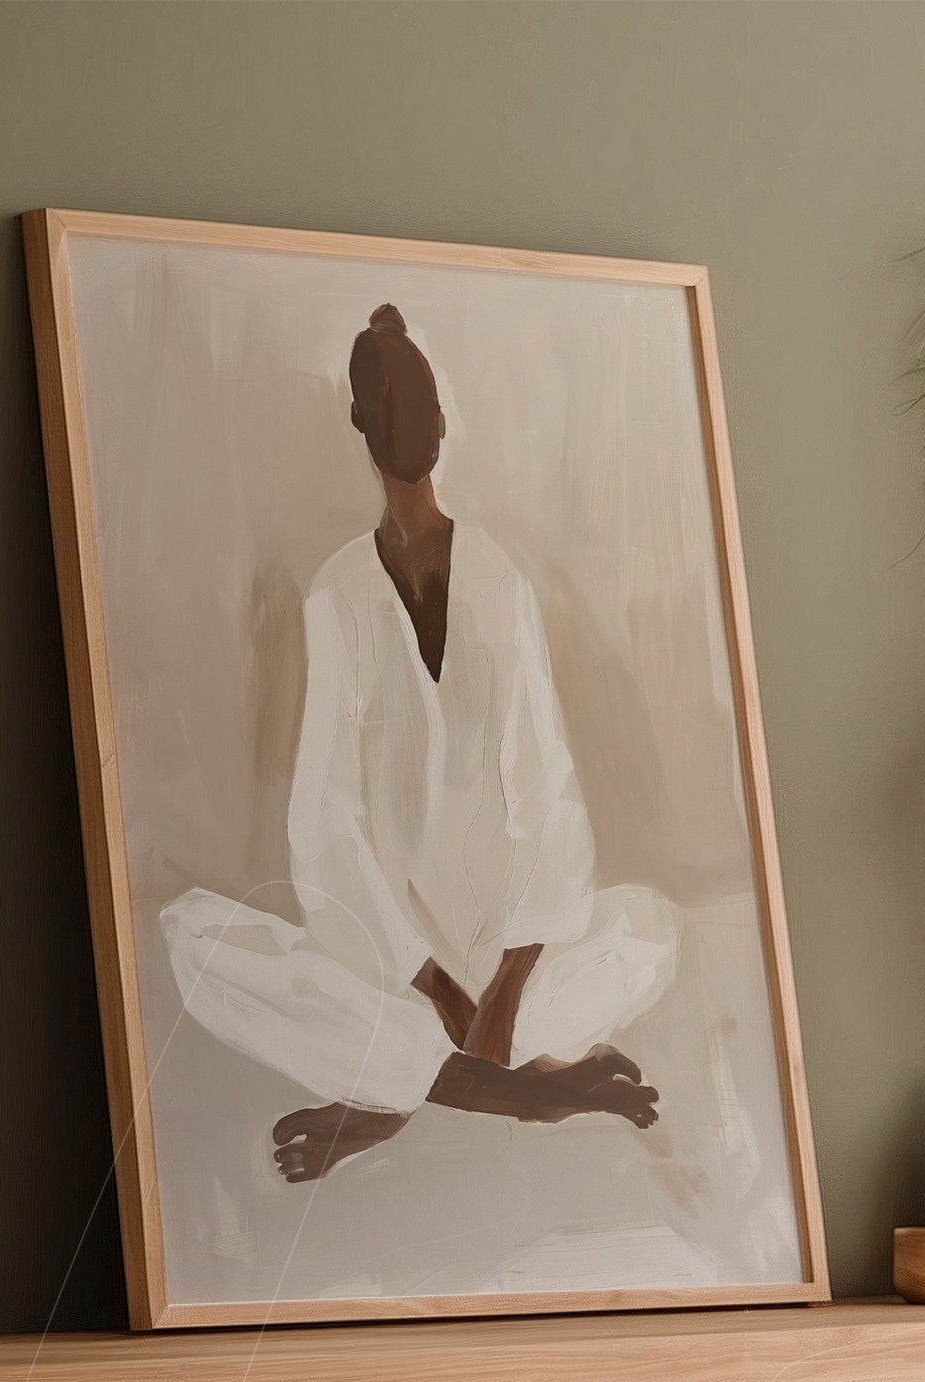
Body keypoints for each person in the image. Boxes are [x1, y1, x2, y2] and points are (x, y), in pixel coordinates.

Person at [163, 304, 678, 1183]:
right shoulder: (336, 598)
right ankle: (523, 1093)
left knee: (651, 926)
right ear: (364, 424)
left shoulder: (501, 582)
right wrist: (434, 986)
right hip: (395, 973)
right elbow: (324, 825)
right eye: (390, 406)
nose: (411, 423)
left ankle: (408, 1088)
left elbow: (546, 784)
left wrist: (507, 989)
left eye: (424, 407)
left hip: (510, 959)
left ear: (443, 425)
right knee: (192, 938)